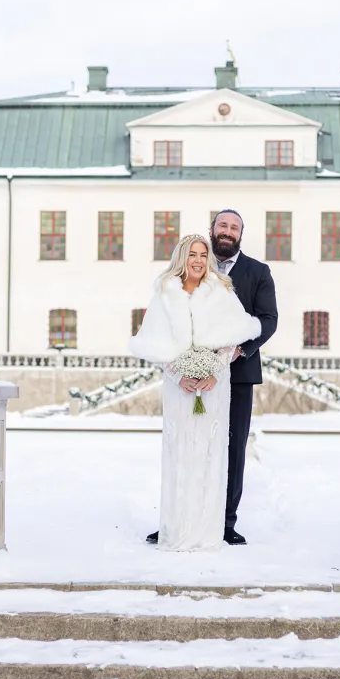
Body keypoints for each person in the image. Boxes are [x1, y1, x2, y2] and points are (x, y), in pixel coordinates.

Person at [128, 234, 264, 551]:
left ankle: (206, 530)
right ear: (182, 258)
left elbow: (233, 341)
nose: (199, 260)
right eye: (193, 254)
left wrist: (214, 372)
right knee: (179, 456)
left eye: (204, 254)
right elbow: (154, 343)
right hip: (179, 390)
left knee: (209, 455)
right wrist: (179, 374)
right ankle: (176, 528)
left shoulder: (222, 292)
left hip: (214, 389)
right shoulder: (164, 293)